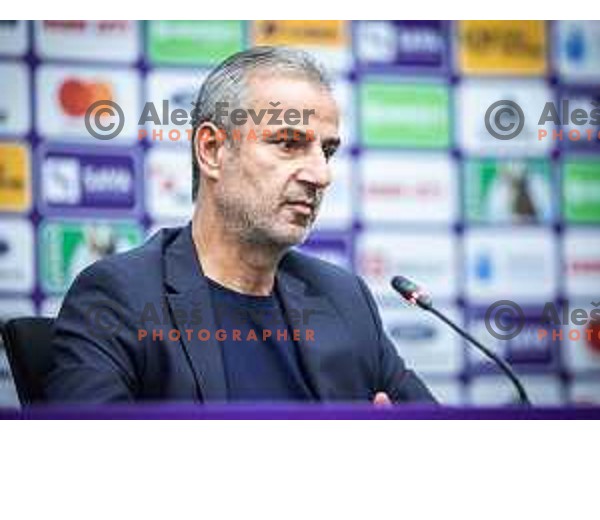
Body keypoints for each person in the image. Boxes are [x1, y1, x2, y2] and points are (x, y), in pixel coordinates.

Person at [45, 46, 435, 404]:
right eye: (288, 143)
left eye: (327, 150)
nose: (321, 174)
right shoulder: (119, 298)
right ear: (212, 151)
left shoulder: (343, 298)